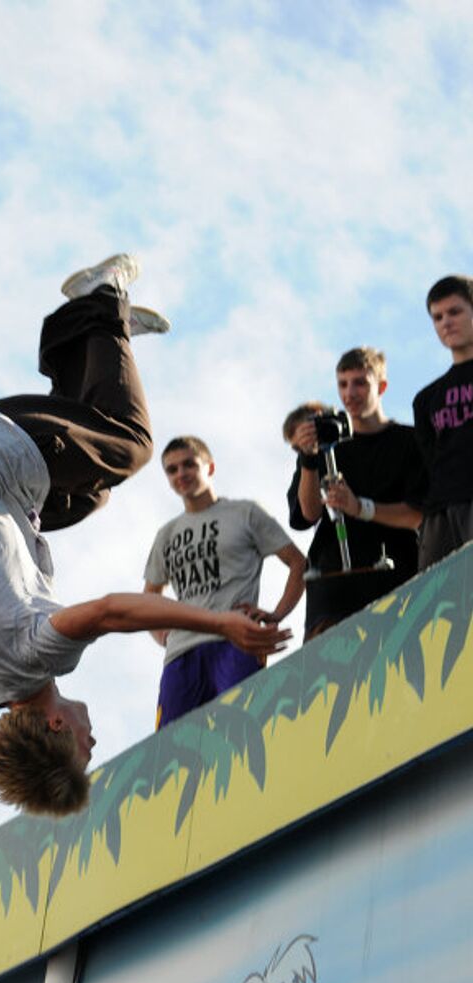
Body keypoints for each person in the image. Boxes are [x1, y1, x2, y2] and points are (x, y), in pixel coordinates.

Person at [0, 255, 290, 817]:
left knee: (129, 445)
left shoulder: (34, 659)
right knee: (89, 493)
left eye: (83, 751)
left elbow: (109, 612)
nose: (93, 742)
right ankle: (97, 335)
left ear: (55, 725)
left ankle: (103, 299)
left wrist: (221, 622)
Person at [143, 436, 305, 729]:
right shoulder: (166, 534)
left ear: (210, 467)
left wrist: (276, 614)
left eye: (189, 464)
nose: (181, 474)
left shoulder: (245, 513)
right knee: (172, 745)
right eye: (172, 469)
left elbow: (298, 563)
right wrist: (163, 634)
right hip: (181, 654)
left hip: (236, 640)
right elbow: (149, 596)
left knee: (238, 730)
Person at [286, 347, 426, 639]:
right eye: (343, 384)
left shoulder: (410, 441)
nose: (350, 393)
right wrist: (308, 458)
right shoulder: (326, 445)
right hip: (331, 589)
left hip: (397, 583)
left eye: (360, 382)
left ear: (382, 386)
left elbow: (419, 514)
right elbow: (306, 515)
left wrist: (361, 507)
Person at [413, 274, 473, 568]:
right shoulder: (426, 399)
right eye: (437, 317)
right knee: (438, 606)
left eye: (455, 312)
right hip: (441, 514)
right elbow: (429, 464)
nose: (446, 322)